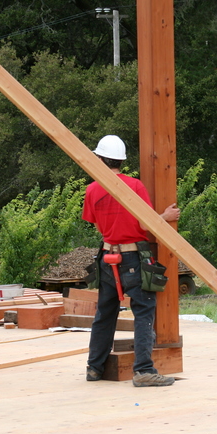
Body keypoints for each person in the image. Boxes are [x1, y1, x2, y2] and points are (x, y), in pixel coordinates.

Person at [82, 135, 181, 387]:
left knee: (105, 313)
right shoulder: (134, 186)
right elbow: (145, 224)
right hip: (133, 257)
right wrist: (165, 216)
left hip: (107, 257)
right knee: (144, 311)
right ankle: (143, 370)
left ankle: (94, 368)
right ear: (121, 161)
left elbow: (97, 226)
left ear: (100, 159)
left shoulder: (92, 189)